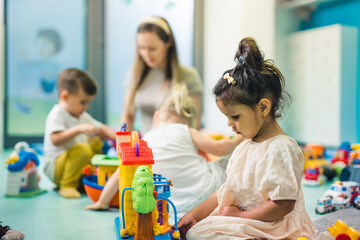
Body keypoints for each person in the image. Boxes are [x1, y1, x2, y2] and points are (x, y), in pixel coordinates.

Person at [177, 37, 317, 240]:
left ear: (263, 107)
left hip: (274, 226)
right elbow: (228, 190)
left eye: (235, 116)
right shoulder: (245, 146)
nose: (229, 124)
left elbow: (283, 205)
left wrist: (242, 216)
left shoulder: (282, 148)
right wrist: (195, 214)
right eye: (227, 117)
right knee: (197, 233)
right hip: (246, 220)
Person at [85, 84, 243, 217]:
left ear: (156, 116)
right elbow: (221, 148)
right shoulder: (186, 130)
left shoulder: (144, 140)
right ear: (189, 121)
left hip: (161, 203)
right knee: (228, 160)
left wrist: (102, 201)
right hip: (202, 193)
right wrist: (239, 138)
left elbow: (122, 172)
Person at [121, 16, 203, 135]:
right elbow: (127, 116)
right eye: (141, 48)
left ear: (168, 42)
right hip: (145, 146)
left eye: (152, 49)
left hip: (175, 146)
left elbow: (195, 122)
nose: (146, 54)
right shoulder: (135, 74)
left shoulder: (188, 76)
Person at [43, 68, 116, 199]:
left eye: (88, 102)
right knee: (83, 149)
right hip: (55, 168)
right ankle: (67, 185)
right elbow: (55, 139)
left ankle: (82, 180)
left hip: (73, 165)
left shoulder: (81, 115)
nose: (86, 107)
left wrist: (118, 137)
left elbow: (101, 128)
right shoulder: (57, 114)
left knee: (95, 143)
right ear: (65, 97)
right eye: (83, 102)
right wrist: (78, 129)